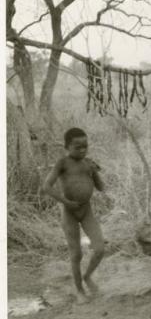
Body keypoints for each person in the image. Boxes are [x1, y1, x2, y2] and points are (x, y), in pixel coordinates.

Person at [42, 127, 105, 304]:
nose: (83, 150)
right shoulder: (62, 163)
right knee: (76, 253)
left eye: (85, 146)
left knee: (100, 248)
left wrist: (95, 171)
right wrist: (65, 201)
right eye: (78, 147)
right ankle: (79, 291)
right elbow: (46, 186)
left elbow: (101, 187)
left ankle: (88, 276)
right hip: (69, 212)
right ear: (67, 147)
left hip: (86, 211)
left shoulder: (88, 163)